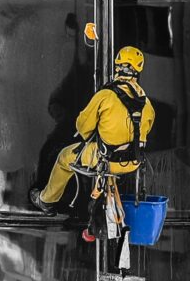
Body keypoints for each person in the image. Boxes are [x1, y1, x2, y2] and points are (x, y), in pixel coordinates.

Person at [37, 39, 156, 238]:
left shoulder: (106, 96)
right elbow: (144, 133)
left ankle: (46, 200)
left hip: (105, 160)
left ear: (117, 66)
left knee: (65, 157)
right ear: (138, 70)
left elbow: (83, 127)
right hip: (132, 163)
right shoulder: (147, 105)